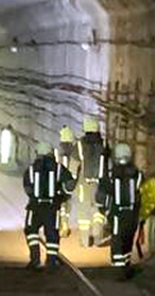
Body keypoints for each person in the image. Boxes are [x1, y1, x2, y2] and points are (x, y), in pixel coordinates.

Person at [23, 142, 76, 270]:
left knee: (31, 231)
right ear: (51, 153)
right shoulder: (59, 168)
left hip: (35, 207)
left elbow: (27, 187)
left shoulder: (31, 169)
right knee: (52, 234)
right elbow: (70, 185)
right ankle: (51, 261)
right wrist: (63, 196)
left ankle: (35, 259)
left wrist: (34, 197)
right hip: (52, 207)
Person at [96, 143, 143, 279]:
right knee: (128, 238)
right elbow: (143, 192)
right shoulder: (137, 174)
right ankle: (126, 265)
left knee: (117, 239)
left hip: (116, 213)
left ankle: (118, 268)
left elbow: (102, 191)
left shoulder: (111, 174)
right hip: (132, 213)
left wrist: (103, 209)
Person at [75, 116, 109, 247]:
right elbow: (109, 164)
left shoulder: (80, 144)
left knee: (84, 211)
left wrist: (71, 182)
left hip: (84, 183)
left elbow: (73, 165)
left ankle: (85, 240)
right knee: (98, 210)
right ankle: (97, 237)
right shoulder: (104, 144)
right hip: (101, 183)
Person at [54, 125, 79, 238]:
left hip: (59, 182)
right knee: (67, 204)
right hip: (70, 182)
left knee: (60, 204)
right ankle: (65, 224)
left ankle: (60, 225)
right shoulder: (74, 152)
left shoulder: (58, 151)